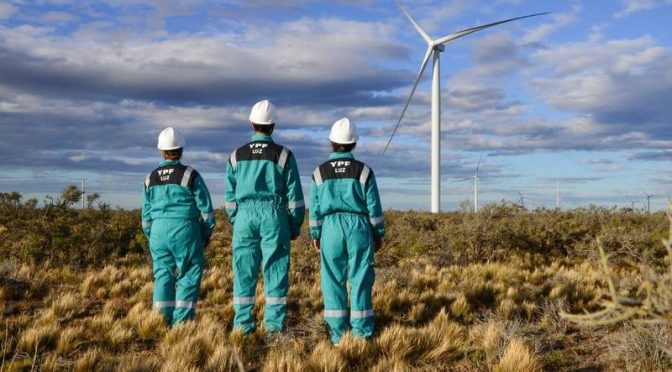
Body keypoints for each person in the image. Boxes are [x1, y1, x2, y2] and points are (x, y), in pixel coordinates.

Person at [225, 100, 305, 334]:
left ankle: (242, 325)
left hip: (244, 217)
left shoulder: (235, 156)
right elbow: (295, 197)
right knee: (276, 270)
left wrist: (235, 218)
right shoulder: (284, 155)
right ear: (273, 126)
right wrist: (293, 226)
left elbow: (230, 196)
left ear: (252, 123)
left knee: (243, 272)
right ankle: (273, 328)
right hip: (274, 215)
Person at [309, 117, 384, 345]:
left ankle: (337, 334)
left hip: (330, 228)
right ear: (354, 143)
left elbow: (315, 209)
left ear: (331, 142)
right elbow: (374, 207)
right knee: (361, 278)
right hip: (359, 228)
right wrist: (377, 232)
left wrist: (316, 234)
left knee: (332, 279)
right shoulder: (364, 171)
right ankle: (362, 333)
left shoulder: (319, 173)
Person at [141, 127, 216, 326]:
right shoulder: (190, 175)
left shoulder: (151, 178)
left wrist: (151, 235)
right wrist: (205, 233)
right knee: (189, 273)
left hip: (157, 231)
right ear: (181, 149)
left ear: (161, 151)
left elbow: (146, 216)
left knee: (163, 274)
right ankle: (182, 324)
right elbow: (206, 210)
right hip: (185, 229)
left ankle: (160, 320)